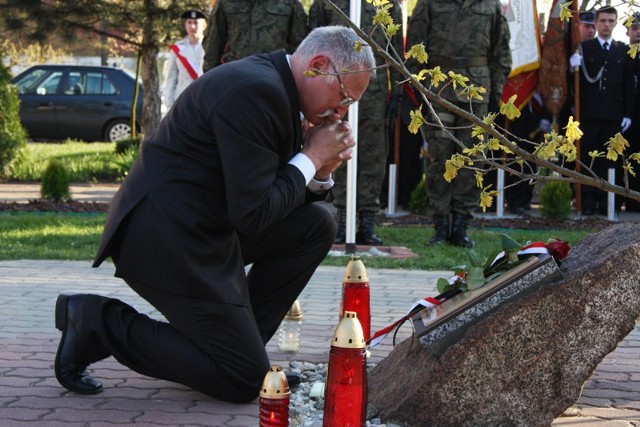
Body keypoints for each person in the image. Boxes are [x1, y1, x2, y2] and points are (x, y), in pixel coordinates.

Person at [53, 26, 375, 403]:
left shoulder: (278, 90)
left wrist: (318, 172)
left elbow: (271, 203)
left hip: (205, 229)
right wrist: (310, 157)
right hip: (163, 240)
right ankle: (96, 321)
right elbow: (253, 215)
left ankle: (236, 347)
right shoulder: (257, 91)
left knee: (317, 224)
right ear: (318, 66)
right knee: (242, 379)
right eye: (342, 98)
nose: (341, 113)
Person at [406, 0, 511, 247]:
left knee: (473, 158)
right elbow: (415, 45)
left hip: (476, 91)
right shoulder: (429, 3)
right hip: (439, 89)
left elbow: (501, 50)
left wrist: (496, 89)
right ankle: (441, 225)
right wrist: (419, 85)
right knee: (440, 157)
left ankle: (462, 226)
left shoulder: (491, 5)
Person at [308, 0, 403, 245]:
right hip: (334, 88)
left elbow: (397, 54)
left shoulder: (388, 3)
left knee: (373, 154)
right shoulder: (325, 3)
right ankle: (342, 215)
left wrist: (400, 92)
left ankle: (368, 220)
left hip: (374, 91)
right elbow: (310, 44)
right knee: (337, 148)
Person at [569, 6, 634, 215]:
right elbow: (574, 86)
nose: (607, 25)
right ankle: (588, 202)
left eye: (611, 21)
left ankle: (609, 203)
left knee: (610, 160)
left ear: (615, 23)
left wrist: (628, 114)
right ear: (596, 23)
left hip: (614, 116)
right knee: (589, 160)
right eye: (603, 21)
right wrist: (572, 68)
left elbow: (628, 85)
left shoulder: (622, 50)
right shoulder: (583, 48)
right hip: (588, 115)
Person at [202, 0, 308, 71]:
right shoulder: (226, 3)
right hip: (235, 77)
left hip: (275, 79)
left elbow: (300, 49)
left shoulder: (290, 3)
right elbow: (213, 45)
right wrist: (210, 82)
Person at [162, 9, 208, 112]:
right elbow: (171, 77)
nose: (192, 26)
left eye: (196, 23)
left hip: (203, 99)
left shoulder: (209, 46)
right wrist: (169, 103)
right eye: (189, 22)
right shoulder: (178, 48)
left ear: (203, 25)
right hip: (182, 99)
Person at [624, 12, 640, 212]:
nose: (639, 32)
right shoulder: (622, 54)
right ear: (627, 31)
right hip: (628, 117)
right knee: (628, 160)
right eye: (635, 28)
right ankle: (630, 201)